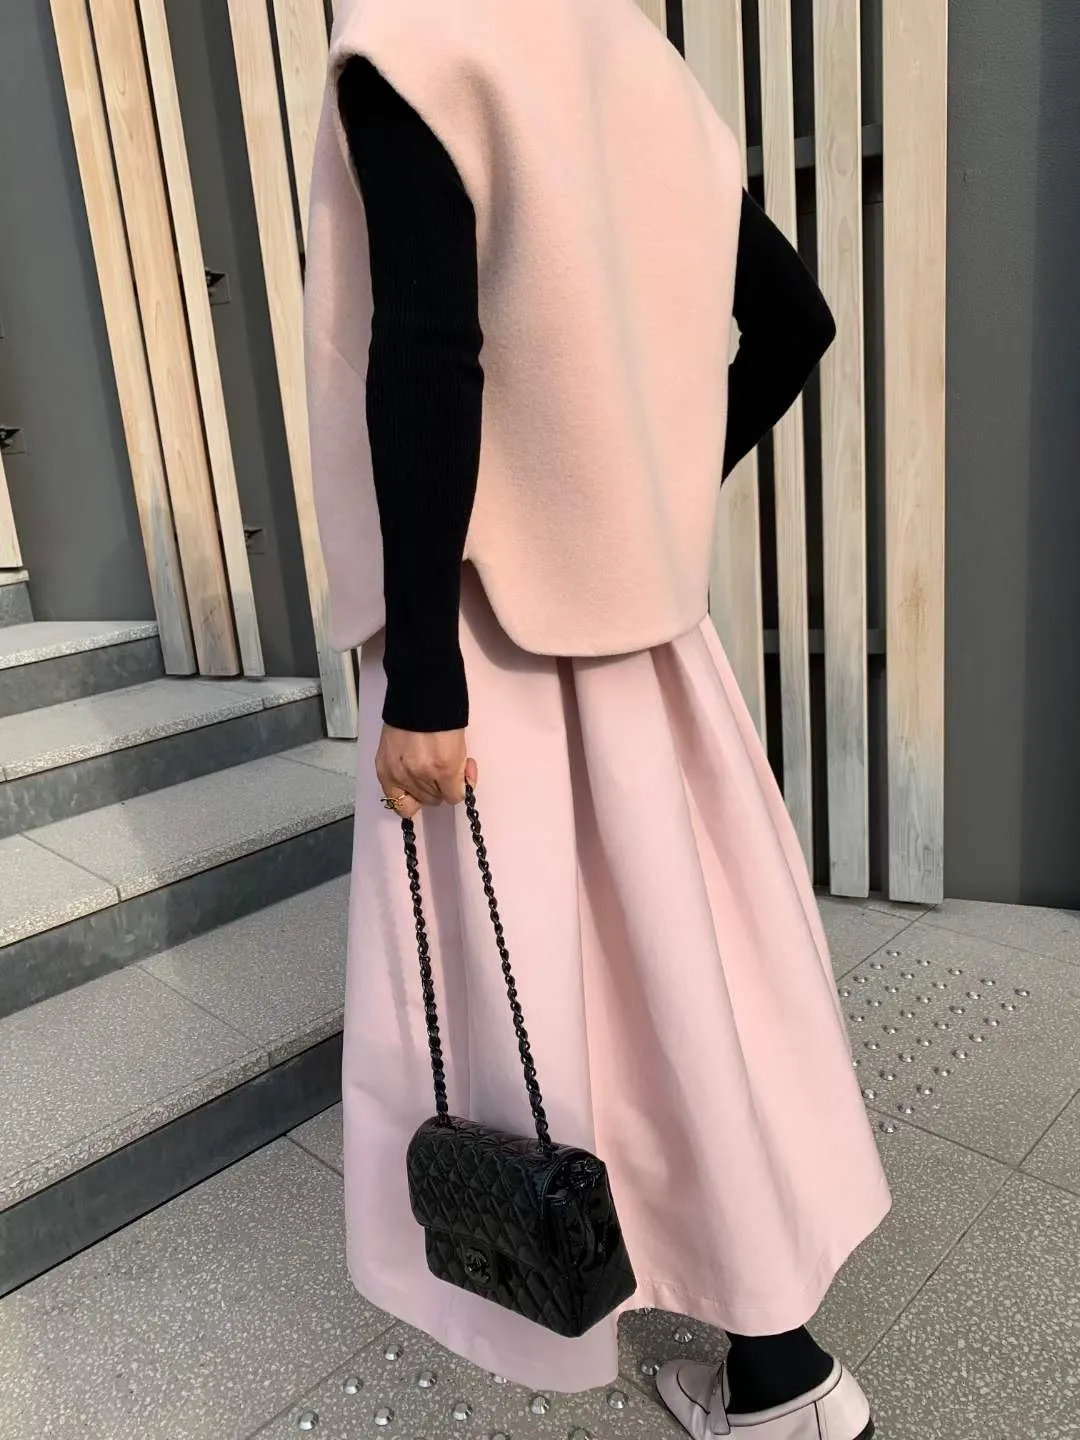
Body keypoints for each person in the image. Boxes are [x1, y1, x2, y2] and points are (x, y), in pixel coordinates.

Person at [304, 3, 891, 1437]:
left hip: (489, 636)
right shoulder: (634, 60)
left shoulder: (415, 46)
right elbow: (795, 323)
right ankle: (781, 1370)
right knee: (683, 987)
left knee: (551, 1007)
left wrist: (423, 681)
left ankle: (745, 1370)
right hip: (647, 638)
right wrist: (647, 492)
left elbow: (427, 353)